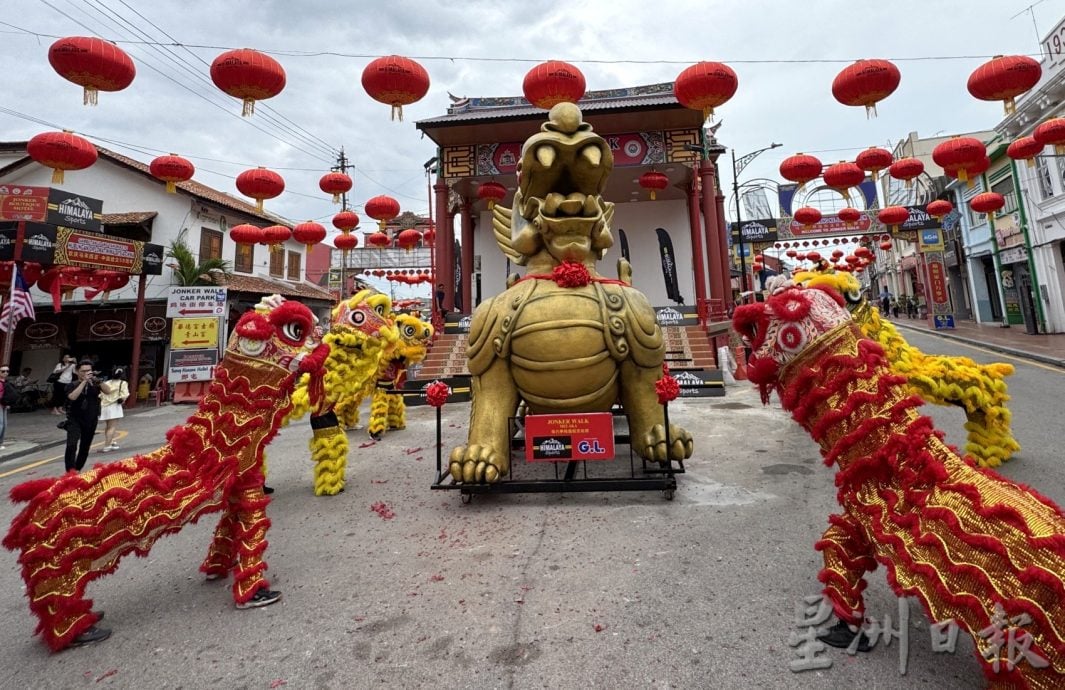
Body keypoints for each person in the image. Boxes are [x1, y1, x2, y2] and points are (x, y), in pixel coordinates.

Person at [64, 360, 112, 472]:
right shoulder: (72, 385)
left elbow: (108, 391)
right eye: (83, 371)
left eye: (89, 370)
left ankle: (77, 468)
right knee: (72, 444)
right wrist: (83, 382)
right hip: (74, 418)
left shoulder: (95, 383)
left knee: (85, 446)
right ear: (77, 371)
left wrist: (97, 381)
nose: (86, 373)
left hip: (91, 418)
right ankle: (70, 471)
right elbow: (72, 397)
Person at [98, 367, 129, 452]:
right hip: (115, 406)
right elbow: (125, 394)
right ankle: (107, 446)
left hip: (104, 406)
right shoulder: (123, 383)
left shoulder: (107, 383)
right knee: (112, 427)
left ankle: (111, 442)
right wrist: (122, 399)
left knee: (108, 426)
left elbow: (101, 395)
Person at [0, 365, 18, 451]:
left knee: (4, 424)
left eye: (7, 371)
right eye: (3, 371)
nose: (5, 373)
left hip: (4, 404)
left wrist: (7, 402)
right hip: (1, 404)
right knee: (0, 424)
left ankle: (1, 442)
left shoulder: (7, 382)